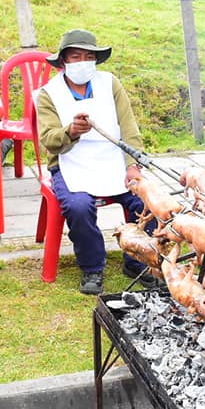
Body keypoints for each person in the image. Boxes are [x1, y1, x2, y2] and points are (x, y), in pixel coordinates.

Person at [36, 29, 156, 296]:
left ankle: (138, 260)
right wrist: (72, 131)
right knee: (78, 206)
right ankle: (92, 266)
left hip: (112, 157)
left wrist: (132, 164)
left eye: (88, 56)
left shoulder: (109, 83)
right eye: (75, 56)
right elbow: (49, 139)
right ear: (63, 61)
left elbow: (129, 128)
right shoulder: (47, 94)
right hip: (70, 160)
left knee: (145, 201)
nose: (82, 62)